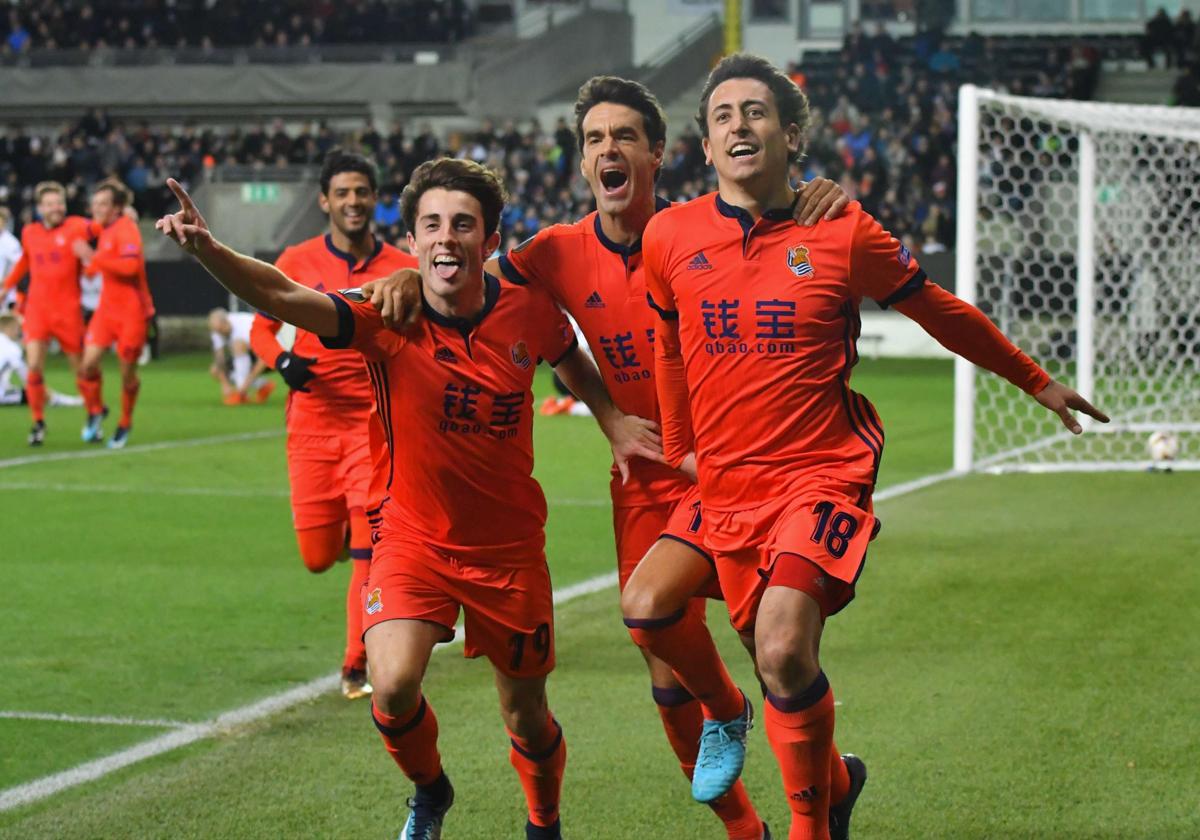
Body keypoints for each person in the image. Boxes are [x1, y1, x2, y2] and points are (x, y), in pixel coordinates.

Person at [362, 75, 850, 840]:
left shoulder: (698, 232)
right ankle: (748, 830)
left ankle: (830, 791)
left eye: (624, 136)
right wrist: (402, 275)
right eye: (593, 139)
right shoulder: (552, 254)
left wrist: (823, 196)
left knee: (770, 650)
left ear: (658, 152)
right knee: (665, 668)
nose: (607, 150)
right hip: (646, 485)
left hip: (733, 474)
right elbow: (468, 277)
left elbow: (780, 226)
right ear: (582, 162)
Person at [641, 54, 1109, 840]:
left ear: (791, 135)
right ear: (707, 144)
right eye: (722, 116)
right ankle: (816, 769)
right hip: (726, 484)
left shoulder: (840, 228)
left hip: (820, 473)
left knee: (785, 645)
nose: (738, 126)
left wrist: (1035, 381)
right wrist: (682, 443)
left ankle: (809, 828)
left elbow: (938, 310)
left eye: (755, 112)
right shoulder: (670, 235)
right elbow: (668, 340)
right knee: (651, 607)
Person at [157, 158, 646, 840]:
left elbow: (568, 356)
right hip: (413, 540)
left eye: (464, 225)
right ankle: (430, 788)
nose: (448, 238)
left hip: (508, 550)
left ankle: (544, 822)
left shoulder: (528, 308)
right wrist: (208, 248)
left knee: (526, 716)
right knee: (389, 688)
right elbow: (281, 295)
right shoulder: (383, 315)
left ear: (492, 237)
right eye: (432, 225)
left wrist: (614, 422)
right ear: (411, 242)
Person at [246, 149, 418, 700]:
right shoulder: (296, 259)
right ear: (324, 201)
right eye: (341, 192)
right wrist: (282, 361)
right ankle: (348, 531)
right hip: (313, 426)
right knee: (319, 558)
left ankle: (355, 665)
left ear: (375, 199)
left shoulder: (400, 265)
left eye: (361, 192)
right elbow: (259, 330)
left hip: (374, 429)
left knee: (369, 552)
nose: (352, 202)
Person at [1, 182, 94, 446]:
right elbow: (24, 263)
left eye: (59, 202)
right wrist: (6, 286)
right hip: (37, 310)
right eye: (51, 203)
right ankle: (38, 422)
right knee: (33, 368)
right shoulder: (30, 232)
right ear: (40, 208)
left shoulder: (75, 226)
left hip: (68, 311)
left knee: (81, 369)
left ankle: (92, 414)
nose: (56, 207)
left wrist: (121, 218)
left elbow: (99, 227)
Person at [75, 179, 154, 449]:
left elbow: (130, 268)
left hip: (132, 312)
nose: (96, 208)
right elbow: (82, 230)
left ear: (117, 207)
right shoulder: (105, 228)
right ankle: (97, 411)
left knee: (127, 375)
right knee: (87, 366)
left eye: (103, 204)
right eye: (95, 203)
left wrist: (94, 258)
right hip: (107, 310)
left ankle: (125, 421)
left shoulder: (126, 229)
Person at [208, 307, 273, 405]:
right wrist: (225, 384)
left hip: (271, 356)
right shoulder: (217, 330)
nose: (219, 334)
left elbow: (263, 358)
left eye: (221, 330)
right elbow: (219, 359)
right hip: (248, 356)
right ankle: (262, 385)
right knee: (215, 370)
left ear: (226, 322)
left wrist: (244, 386)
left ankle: (241, 393)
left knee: (238, 345)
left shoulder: (245, 326)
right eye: (217, 331)